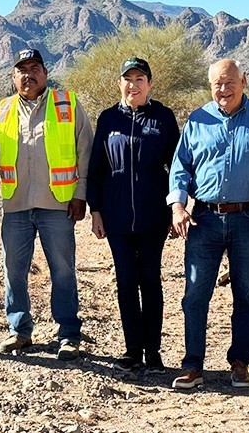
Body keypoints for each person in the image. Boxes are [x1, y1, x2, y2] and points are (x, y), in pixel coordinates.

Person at [167, 58, 249, 389]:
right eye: (217, 84)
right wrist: (178, 206)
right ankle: (193, 365)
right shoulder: (198, 120)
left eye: (229, 82)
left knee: (245, 293)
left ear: (244, 80)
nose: (223, 89)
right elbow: (180, 168)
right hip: (204, 218)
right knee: (195, 294)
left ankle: (240, 362)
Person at [0, 49, 93, 360]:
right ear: (13, 77)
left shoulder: (68, 104)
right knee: (13, 270)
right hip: (16, 206)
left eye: (35, 68)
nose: (28, 74)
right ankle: (19, 331)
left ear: (45, 74)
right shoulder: (3, 109)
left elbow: (85, 151)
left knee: (62, 270)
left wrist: (81, 193)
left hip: (57, 206)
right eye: (21, 69)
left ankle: (68, 334)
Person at [87, 57, 180, 373]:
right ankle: (131, 350)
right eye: (128, 79)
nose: (134, 84)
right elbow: (97, 168)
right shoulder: (108, 118)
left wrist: (174, 207)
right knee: (126, 281)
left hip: (154, 215)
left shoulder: (163, 118)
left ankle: (153, 351)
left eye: (140, 79)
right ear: (120, 84)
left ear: (150, 84)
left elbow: (176, 168)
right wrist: (95, 210)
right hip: (116, 216)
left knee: (150, 279)